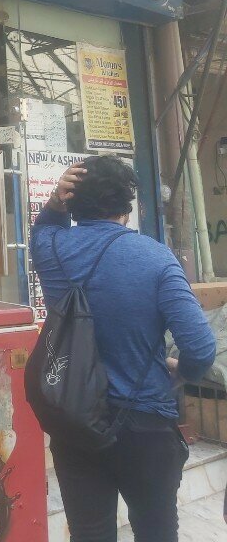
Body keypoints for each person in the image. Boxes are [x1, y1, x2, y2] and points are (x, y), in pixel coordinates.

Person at [31, 155, 216, 542]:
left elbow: (44, 227)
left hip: (73, 420)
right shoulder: (155, 257)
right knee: (155, 530)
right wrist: (181, 373)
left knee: (90, 532)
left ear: (72, 201)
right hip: (146, 420)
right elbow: (199, 347)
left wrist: (54, 204)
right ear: (126, 208)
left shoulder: (50, 247)